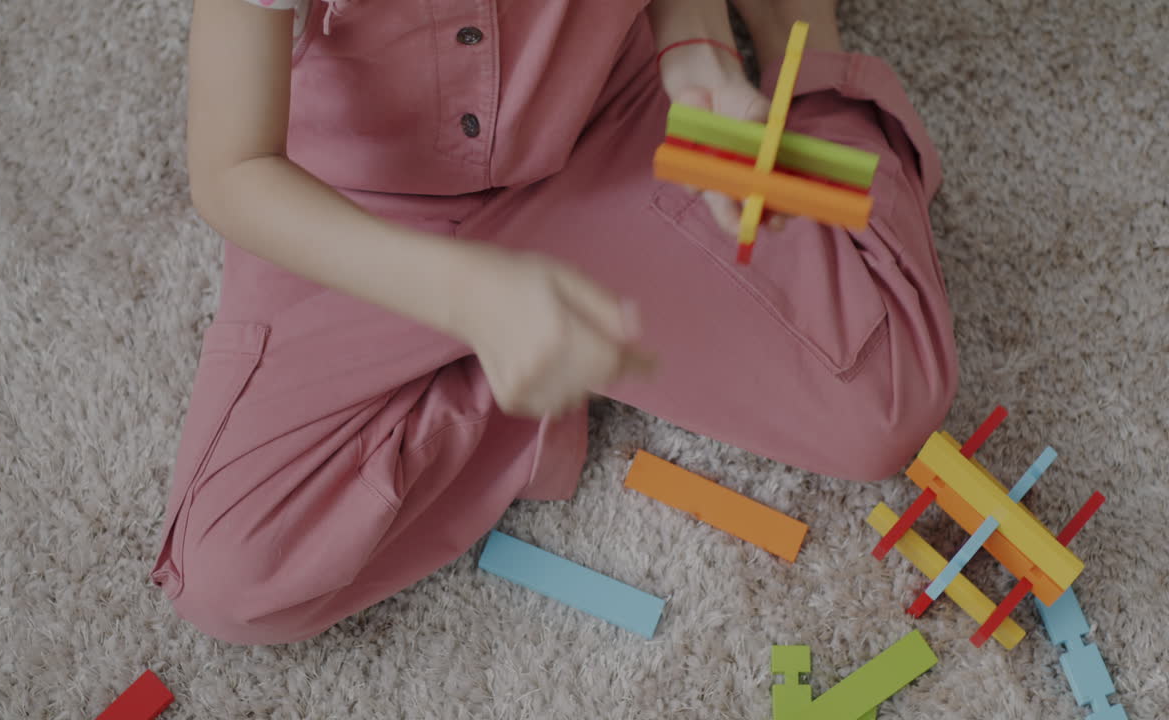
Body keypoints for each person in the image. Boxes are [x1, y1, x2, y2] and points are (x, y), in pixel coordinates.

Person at [150, 0, 958, 645]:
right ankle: (539, 356)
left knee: (887, 404)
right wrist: (469, 298)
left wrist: (696, 47)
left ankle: (802, 56)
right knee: (235, 576)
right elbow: (233, 168)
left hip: (607, 127)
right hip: (363, 205)